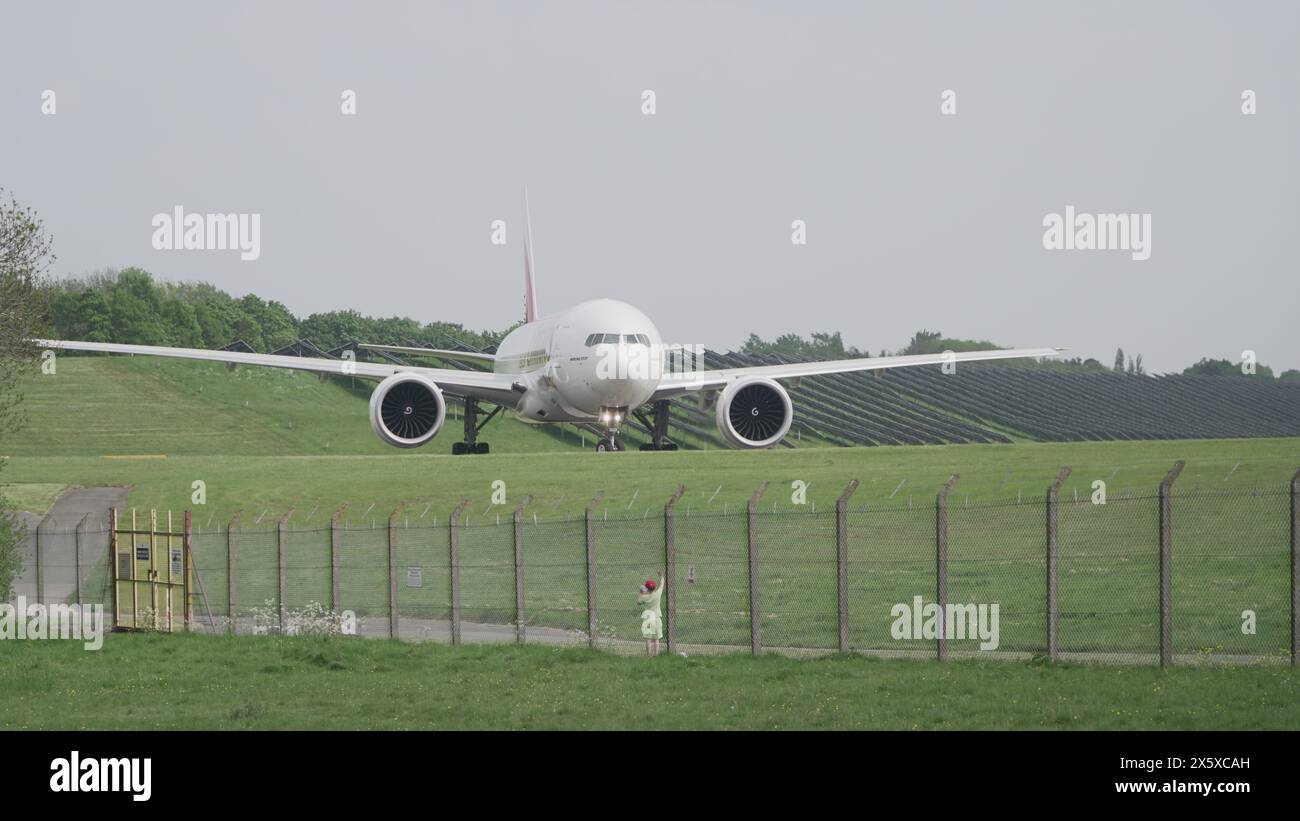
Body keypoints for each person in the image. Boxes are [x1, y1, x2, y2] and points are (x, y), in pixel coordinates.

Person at [637, 572, 665, 656]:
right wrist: (661, 576)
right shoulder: (657, 594)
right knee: (656, 639)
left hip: (648, 619)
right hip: (656, 618)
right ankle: (656, 655)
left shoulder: (644, 597)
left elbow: (638, 603)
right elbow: (662, 584)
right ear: (654, 588)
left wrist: (641, 593)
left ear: (646, 588)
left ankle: (648, 655)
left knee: (648, 638)